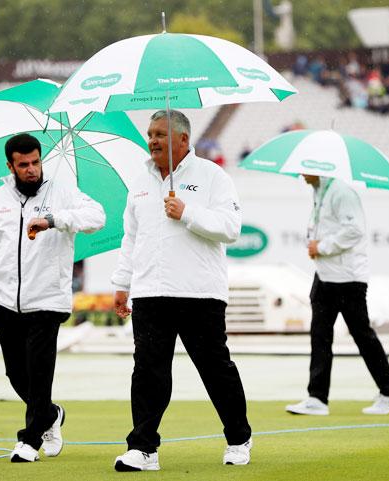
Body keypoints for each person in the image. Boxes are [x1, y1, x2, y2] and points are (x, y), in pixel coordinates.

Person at [111, 110, 252, 471]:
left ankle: (238, 438)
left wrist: (187, 212)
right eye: (150, 133)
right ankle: (143, 448)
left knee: (215, 369)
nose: (152, 140)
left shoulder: (212, 176)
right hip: (149, 292)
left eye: (160, 134)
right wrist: (122, 283)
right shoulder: (139, 181)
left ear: (184, 139)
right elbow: (131, 238)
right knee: (147, 371)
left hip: (199, 292)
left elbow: (231, 227)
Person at [0, 133, 105, 463]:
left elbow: (96, 217)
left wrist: (53, 220)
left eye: (35, 162)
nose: (32, 169)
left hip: (48, 299)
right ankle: (50, 414)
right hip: (4, 301)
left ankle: (29, 440)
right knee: (17, 375)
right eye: (24, 164)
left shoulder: (62, 190)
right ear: (11, 165)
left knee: (39, 371)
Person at [286, 175, 389, 416]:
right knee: (320, 336)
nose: (300, 175)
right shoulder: (320, 191)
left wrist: (322, 246)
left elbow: (355, 230)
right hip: (326, 275)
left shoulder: (341, 192)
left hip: (347, 278)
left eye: (304, 169)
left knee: (362, 335)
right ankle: (317, 398)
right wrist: (316, 244)